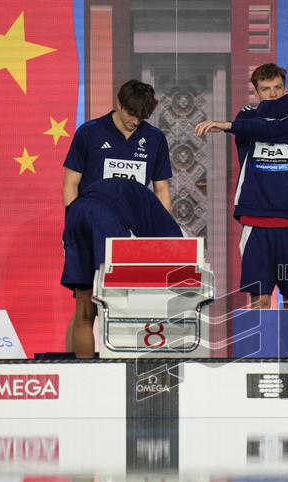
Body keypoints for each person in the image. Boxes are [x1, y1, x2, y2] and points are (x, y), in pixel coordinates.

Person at [193, 64, 288, 309]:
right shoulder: (246, 117)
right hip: (256, 223)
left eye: (278, 88)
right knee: (260, 300)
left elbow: (272, 127)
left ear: (286, 88)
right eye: (266, 89)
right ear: (255, 93)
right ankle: (262, 349)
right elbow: (262, 122)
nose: (274, 94)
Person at [62, 80, 174, 353]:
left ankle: (122, 372)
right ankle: (81, 373)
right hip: (90, 229)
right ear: (119, 104)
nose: (134, 121)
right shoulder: (89, 133)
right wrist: (73, 230)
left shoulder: (155, 139)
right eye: (130, 114)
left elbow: (161, 190)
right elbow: (70, 185)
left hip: (131, 237)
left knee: (124, 307)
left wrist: (162, 241)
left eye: (141, 117)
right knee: (85, 305)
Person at [61, 178, 184, 358]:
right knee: (115, 305)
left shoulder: (141, 201)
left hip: (75, 214)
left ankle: (84, 376)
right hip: (103, 218)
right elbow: (177, 255)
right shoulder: (165, 224)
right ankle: (119, 371)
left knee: (84, 308)